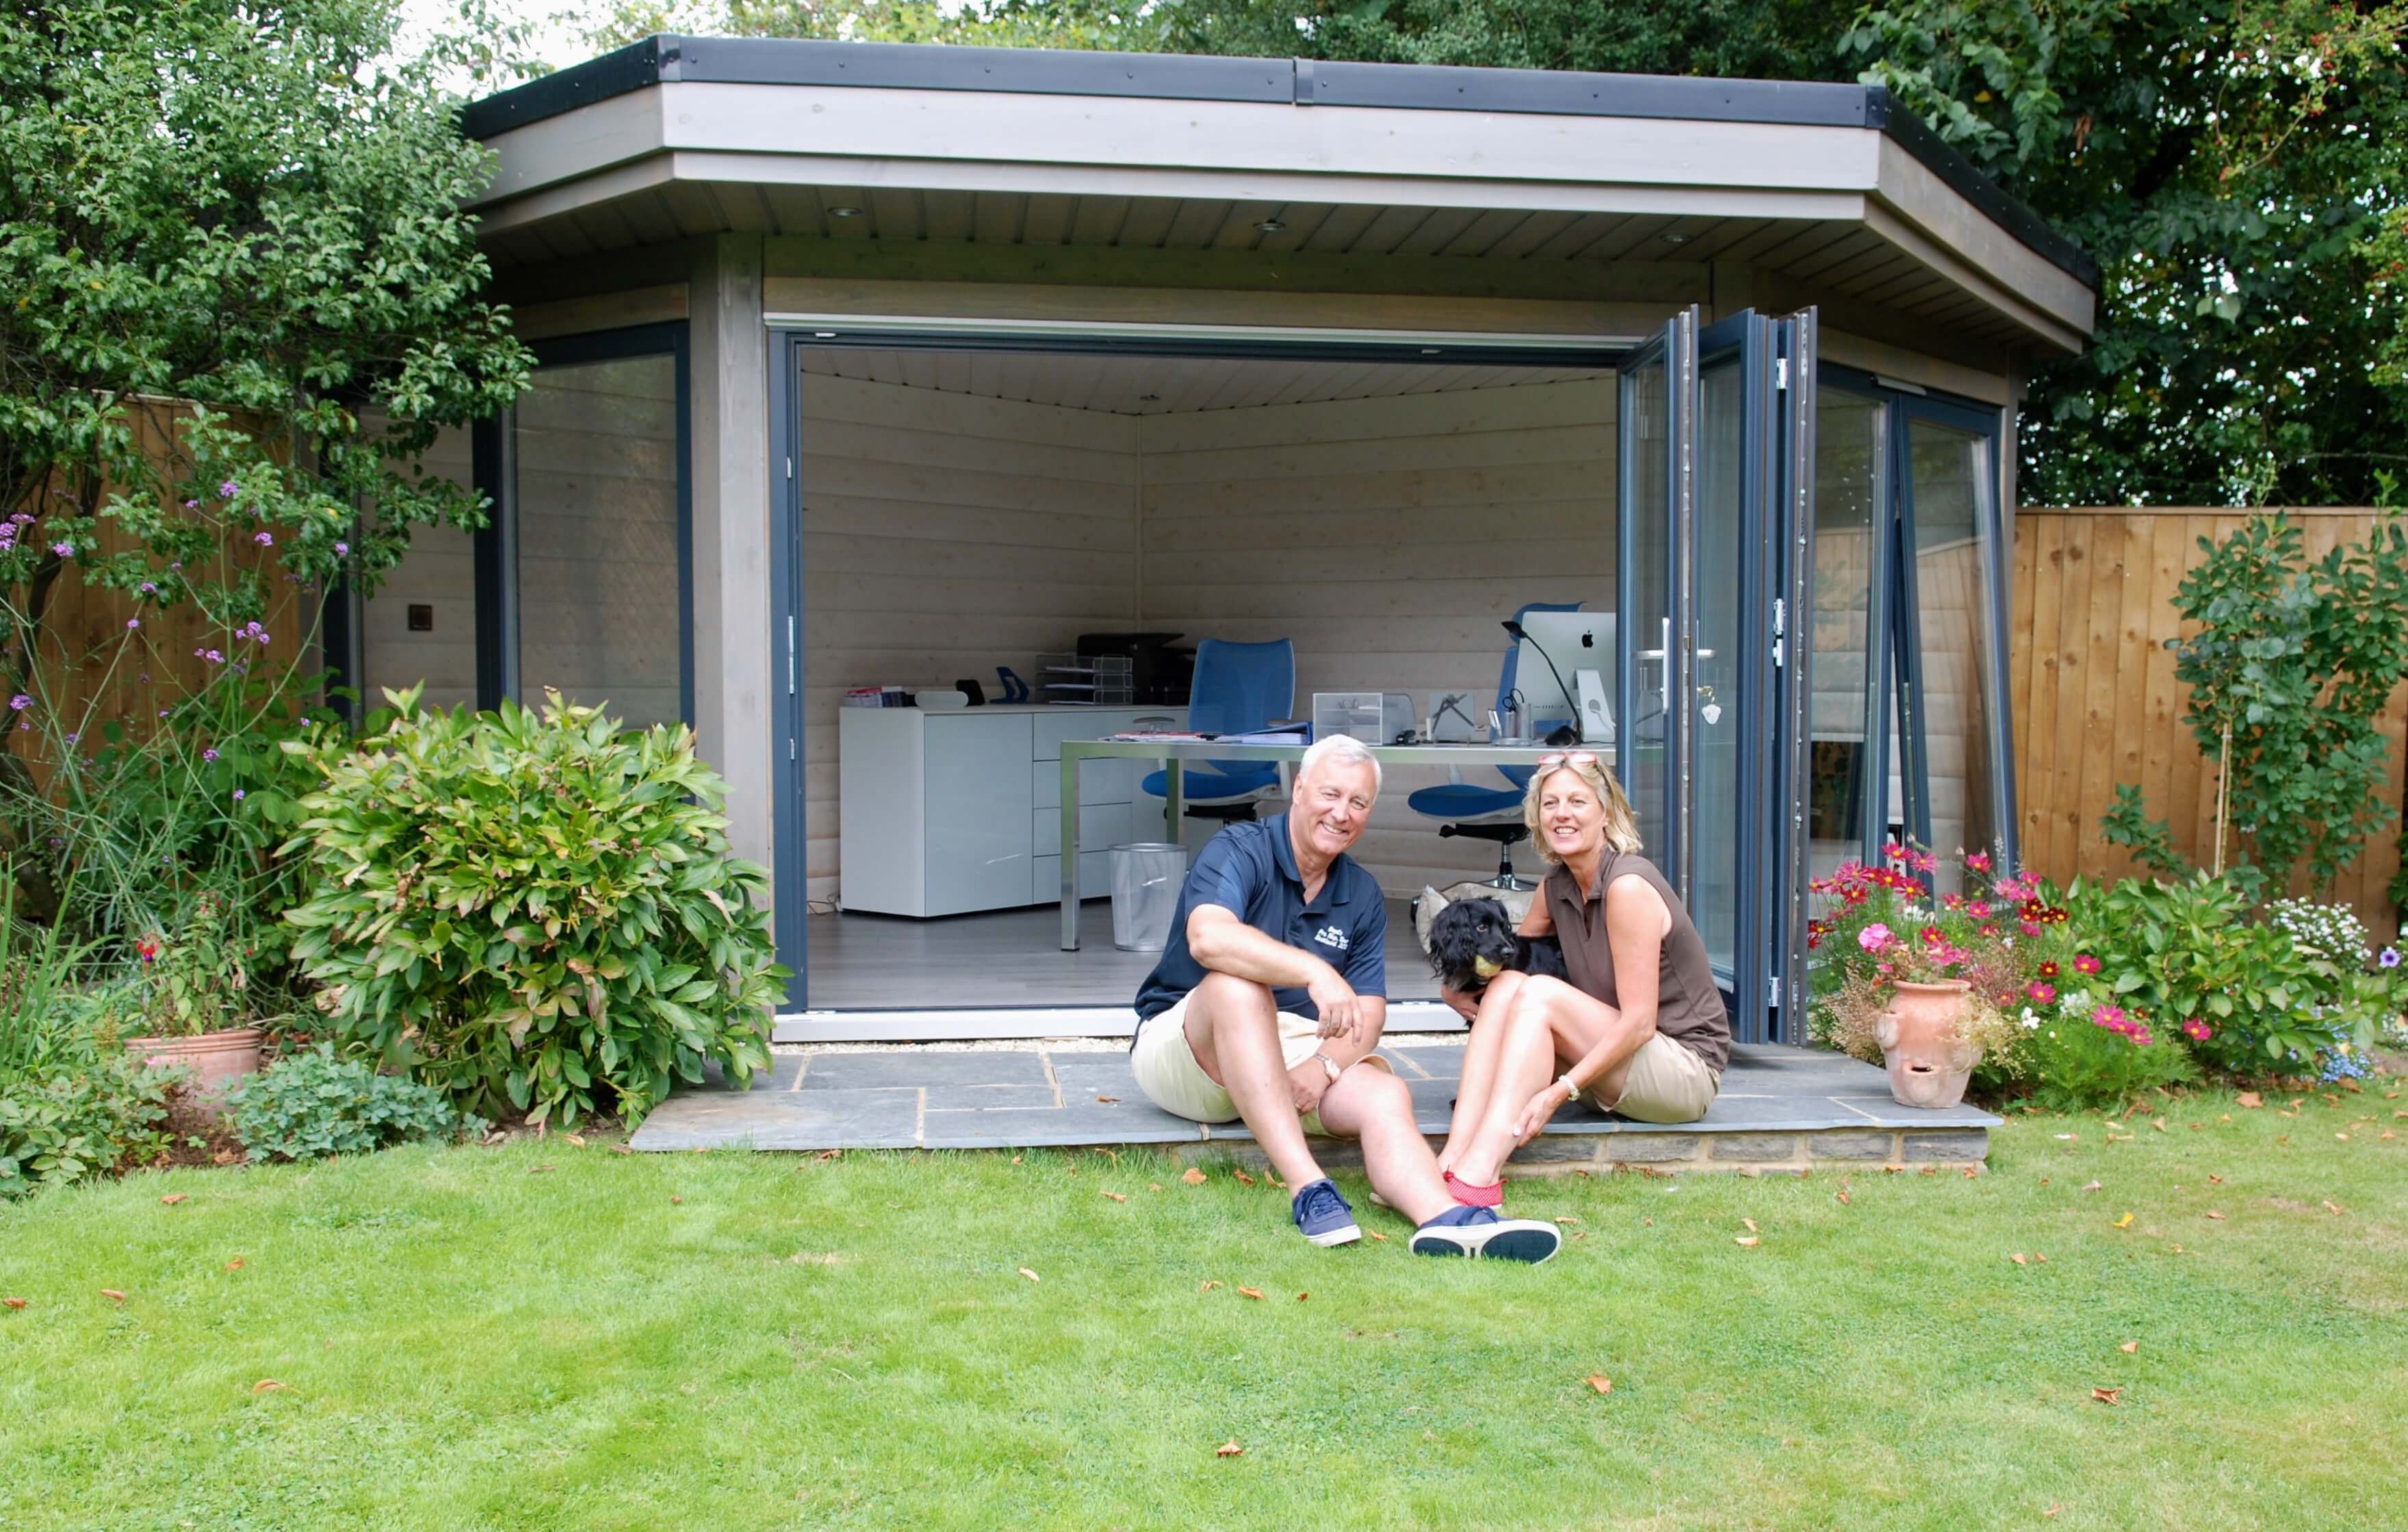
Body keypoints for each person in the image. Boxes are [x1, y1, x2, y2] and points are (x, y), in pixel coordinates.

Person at [1129, 734, 1560, 1262]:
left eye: (1357, 803)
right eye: (1330, 794)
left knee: (1385, 1091)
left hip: (1290, 1057)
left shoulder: (1359, 893)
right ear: (1299, 788)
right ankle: (1308, 1186)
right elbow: (1209, 938)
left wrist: (1326, 1066)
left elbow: (1370, 1011)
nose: (1341, 813)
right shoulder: (1239, 849)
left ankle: (1445, 1219)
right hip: (1189, 1049)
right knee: (1235, 986)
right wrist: (1314, 971)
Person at [1434, 751, 1730, 1205]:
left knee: (1537, 995)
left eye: (1577, 801)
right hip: (1610, 1063)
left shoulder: (1627, 886)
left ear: (1605, 812)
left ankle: (1480, 1172)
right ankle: (1451, 1157)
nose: (1562, 814)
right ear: (1536, 816)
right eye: (1549, 803)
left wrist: (1558, 1092)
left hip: (1680, 1070)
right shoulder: (1554, 888)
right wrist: (1452, 990)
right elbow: (1508, 973)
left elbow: (1639, 1024)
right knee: (1513, 985)